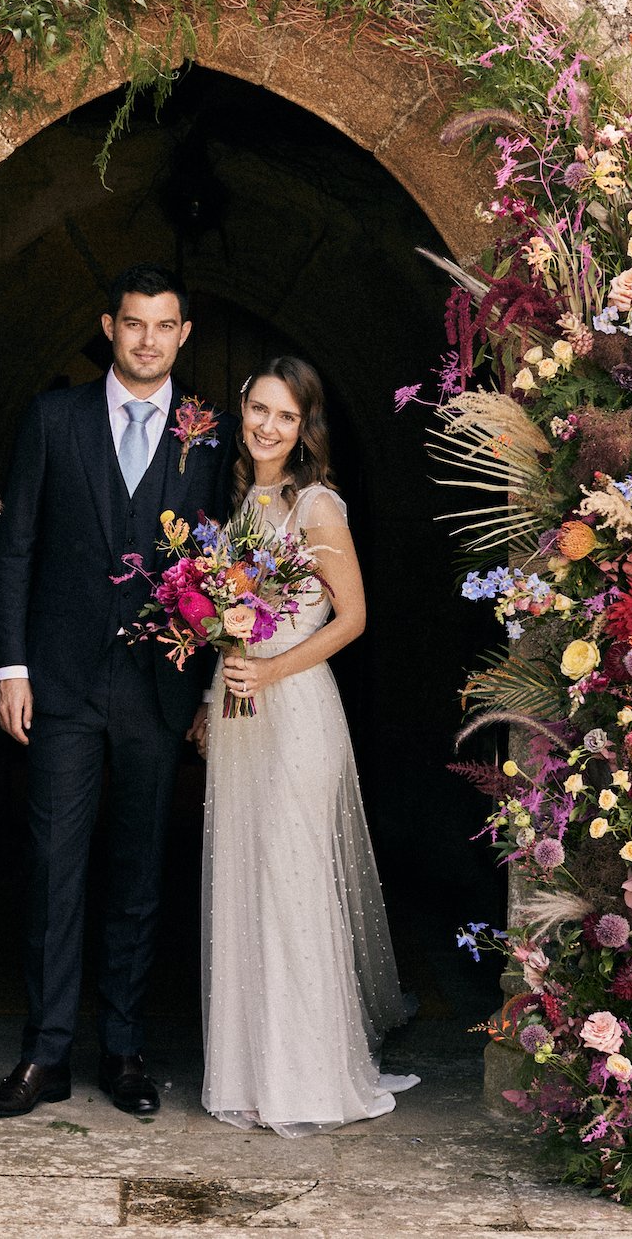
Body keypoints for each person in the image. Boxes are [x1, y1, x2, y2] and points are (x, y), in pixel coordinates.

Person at [0, 263, 233, 1119]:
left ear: (184, 333)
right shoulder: (55, 419)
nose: (148, 338)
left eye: (164, 325)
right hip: (59, 685)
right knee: (53, 867)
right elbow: (14, 547)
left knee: (138, 871)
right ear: (108, 326)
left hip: (159, 692)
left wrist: (207, 685)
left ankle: (124, 1049)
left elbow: (230, 566)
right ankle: (44, 1057)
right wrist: (10, 666)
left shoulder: (211, 433)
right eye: (133, 323)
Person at [192, 354, 417, 1135]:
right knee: (244, 883)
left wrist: (268, 670)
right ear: (243, 409)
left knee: (291, 884)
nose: (267, 426)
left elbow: (350, 618)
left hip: (296, 711)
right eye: (258, 408)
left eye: (285, 415)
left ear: (305, 427)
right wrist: (210, 695)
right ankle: (253, 1072)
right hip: (237, 713)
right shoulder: (233, 504)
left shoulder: (316, 505)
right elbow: (225, 621)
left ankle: (309, 1077)